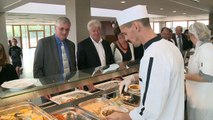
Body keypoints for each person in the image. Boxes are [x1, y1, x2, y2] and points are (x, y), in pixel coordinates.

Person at [106, 5, 184, 120]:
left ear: (136, 26)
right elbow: (160, 77)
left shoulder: (153, 55)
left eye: (126, 33)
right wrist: (133, 77)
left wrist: (121, 117)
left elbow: (149, 111)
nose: (126, 39)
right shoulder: (170, 46)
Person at [185, 22, 213, 120]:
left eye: (190, 35)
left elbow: (207, 76)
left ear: (193, 35)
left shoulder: (206, 49)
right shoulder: (200, 48)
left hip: (204, 100)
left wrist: (184, 76)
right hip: (197, 97)